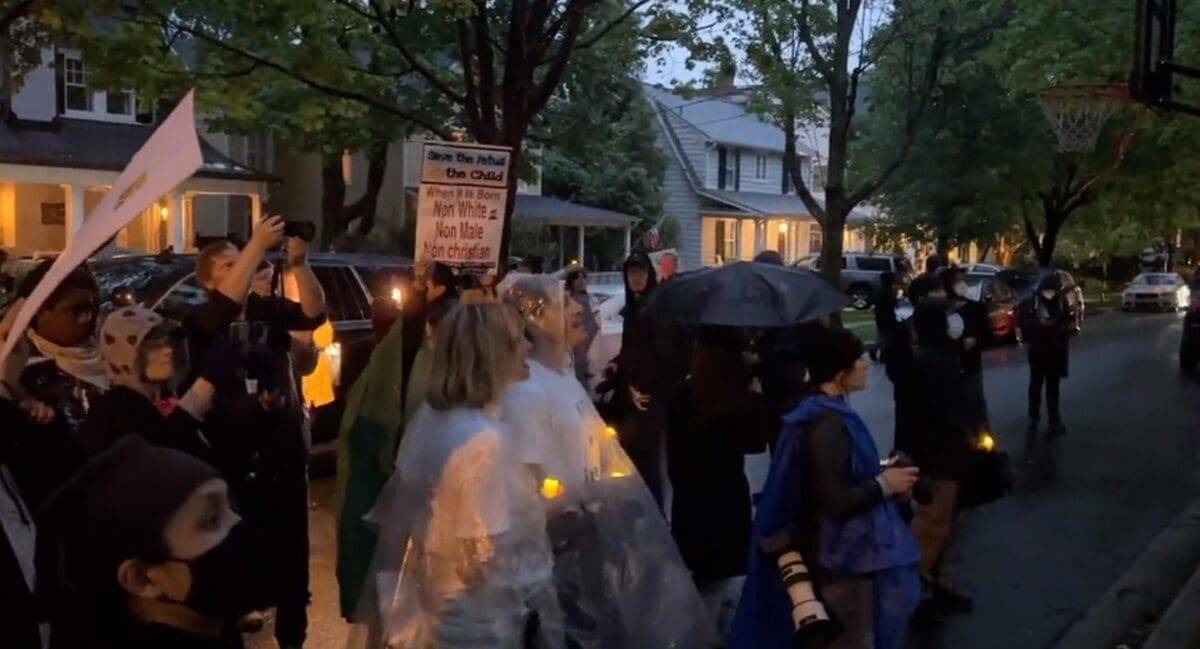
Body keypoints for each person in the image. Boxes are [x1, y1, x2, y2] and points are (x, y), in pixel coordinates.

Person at [499, 274, 716, 648]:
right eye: (564, 303)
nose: (578, 309)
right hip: (558, 551)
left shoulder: (562, 375)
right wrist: (582, 496)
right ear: (535, 320)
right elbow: (527, 490)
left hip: (587, 543)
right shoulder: (528, 391)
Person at [350, 301, 563, 648]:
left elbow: (407, 521)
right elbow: (480, 558)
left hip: (434, 608)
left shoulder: (432, 417)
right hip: (475, 623)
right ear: (492, 353)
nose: (528, 346)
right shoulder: (484, 441)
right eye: (517, 339)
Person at [182, 215, 326, 649]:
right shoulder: (201, 320)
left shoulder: (267, 311)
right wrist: (257, 245)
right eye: (231, 264)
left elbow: (313, 315)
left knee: (291, 562)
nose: (246, 267)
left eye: (244, 259)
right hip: (231, 462)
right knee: (237, 559)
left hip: (282, 457)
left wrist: (300, 265)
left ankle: (292, 635)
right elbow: (220, 314)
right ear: (208, 282)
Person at [730, 327, 921, 649]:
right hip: (842, 560)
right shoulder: (826, 422)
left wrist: (882, 472)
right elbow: (833, 499)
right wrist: (884, 485)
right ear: (839, 371)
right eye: (858, 358)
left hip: (842, 556)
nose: (865, 364)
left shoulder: (821, 411)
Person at [40, 436, 270, 649]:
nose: (237, 523)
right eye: (211, 519)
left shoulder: (216, 628)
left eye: (229, 505)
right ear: (141, 578)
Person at [667, 326, 763, 634]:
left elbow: (674, 459)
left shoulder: (683, 395)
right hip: (727, 500)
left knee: (706, 584)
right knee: (722, 587)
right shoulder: (735, 399)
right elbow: (755, 443)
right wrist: (756, 398)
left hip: (691, 502)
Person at [79, 305, 219, 460]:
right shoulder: (117, 409)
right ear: (124, 355)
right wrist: (191, 408)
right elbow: (155, 458)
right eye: (151, 346)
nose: (167, 350)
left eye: (168, 342)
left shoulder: (167, 398)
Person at [909, 300, 977, 616]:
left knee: (941, 523)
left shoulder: (935, 359)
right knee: (934, 525)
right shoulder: (934, 363)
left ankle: (936, 581)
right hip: (941, 456)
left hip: (940, 453)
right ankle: (918, 586)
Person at [16, 259, 105, 438]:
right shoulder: (20, 370)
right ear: (41, 311)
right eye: (76, 310)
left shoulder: (113, 354)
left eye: (92, 308)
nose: (87, 318)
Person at [610, 252, 666, 506]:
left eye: (641, 272)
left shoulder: (655, 309)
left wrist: (640, 386)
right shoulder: (633, 309)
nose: (636, 278)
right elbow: (630, 350)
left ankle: (656, 517)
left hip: (648, 399)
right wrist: (617, 366)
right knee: (632, 464)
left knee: (648, 465)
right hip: (629, 397)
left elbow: (659, 355)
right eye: (631, 272)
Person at [1018, 273, 1074, 448]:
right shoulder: (1032, 303)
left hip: (1054, 352)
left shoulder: (1060, 302)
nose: (1049, 294)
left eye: (1053, 291)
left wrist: (1063, 329)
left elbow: (1068, 323)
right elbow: (1023, 323)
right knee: (1036, 385)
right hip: (1038, 351)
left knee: (1052, 387)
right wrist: (1039, 326)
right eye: (1047, 291)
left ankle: (1053, 419)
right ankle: (1034, 418)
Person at [941, 267, 993, 434]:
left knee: (975, 403)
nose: (962, 284)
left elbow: (987, 335)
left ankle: (982, 438)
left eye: (962, 280)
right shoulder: (941, 311)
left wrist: (976, 340)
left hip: (971, 366)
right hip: (948, 368)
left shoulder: (975, 309)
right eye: (957, 281)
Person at [563, 268, 599, 388]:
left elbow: (596, 325)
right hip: (571, 346)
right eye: (577, 277)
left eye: (583, 277)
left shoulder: (592, 300)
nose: (581, 280)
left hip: (586, 346)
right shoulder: (565, 300)